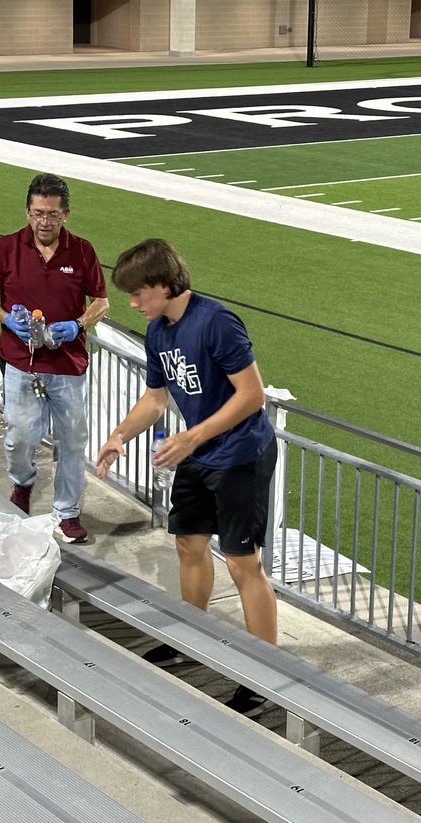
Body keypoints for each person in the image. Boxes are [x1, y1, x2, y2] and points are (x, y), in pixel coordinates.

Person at [95, 238, 278, 716]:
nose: (133, 304)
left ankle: (265, 673)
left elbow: (252, 395)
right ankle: (189, 637)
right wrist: (120, 435)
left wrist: (193, 437)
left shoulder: (216, 322)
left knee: (242, 562)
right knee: (187, 544)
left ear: (161, 285)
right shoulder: (158, 332)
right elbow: (155, 398)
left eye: (138, 293)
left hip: (240, 454)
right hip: (198, 450)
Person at [0, 174, 108, 544]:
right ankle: (22, 482)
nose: (44, 221)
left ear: (66, 214)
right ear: (27, 211)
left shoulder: (82, 251)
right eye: (37, 213)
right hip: (21, 361)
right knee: (20, 436)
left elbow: (102, 302)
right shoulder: (7, 247)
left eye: (52, 214)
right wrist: (8, 320)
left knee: (72, 440)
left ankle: (67, 512)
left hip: (67, 365)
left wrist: (78, 324)